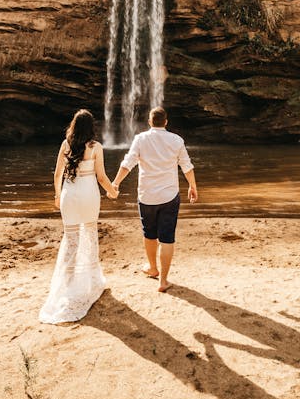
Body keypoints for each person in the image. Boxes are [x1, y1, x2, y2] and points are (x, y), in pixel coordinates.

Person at [39, 109, 118, 324]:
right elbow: (101, 177)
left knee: (71, 239)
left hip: (69, 195)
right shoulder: (95, 147)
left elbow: (57, 174)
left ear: (73, 125)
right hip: (89, 195)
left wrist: (57, 195)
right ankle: (91, 282)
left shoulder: (66, 145)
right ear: (91, 127)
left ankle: (68, 281)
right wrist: (112, 192)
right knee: (90, 236)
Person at [112, 106, 197, 293]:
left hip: (146, 196)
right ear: (166, 122)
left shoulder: (140, 139)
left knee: (149, 234)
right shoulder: (176, 140)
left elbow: (128, 163)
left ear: (150, 122)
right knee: (167, 238)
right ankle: (163, 281)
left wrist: (115, 183)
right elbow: (186, 166)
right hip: (169, 196)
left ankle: (152, 268)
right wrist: (192, 186)